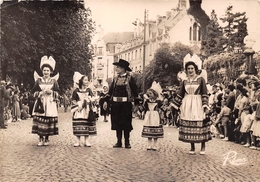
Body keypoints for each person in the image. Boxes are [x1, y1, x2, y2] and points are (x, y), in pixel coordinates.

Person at [171, 58, 211, 155]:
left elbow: (204, 93)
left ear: (195, 69)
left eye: (192, 68)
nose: (190, 70)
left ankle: (203, 146)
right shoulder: (185, 81)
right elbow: (180, 94)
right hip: (187, 104)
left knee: (200, 122)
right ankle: (192, 147)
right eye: (188, 68)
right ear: (186, 70)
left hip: (198, 103)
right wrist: (174, 105)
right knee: (190, 123)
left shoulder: (201, 80)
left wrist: (205, 105)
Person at [106, 59, 138, 149]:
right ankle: (119, 142)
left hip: (126, 105)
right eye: (116, 67)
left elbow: (135, 91)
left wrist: (136, 103)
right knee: (117, 123)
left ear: (124, 68)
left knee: (126, 124)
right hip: (116, 104)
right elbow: (111, 91)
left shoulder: (130, 78)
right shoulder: (115, 78)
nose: (116, 68)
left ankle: (127, 142)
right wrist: (106, 101)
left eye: (118, 67)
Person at [31, 56, 60, 146]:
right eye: (44, 70)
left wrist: (52, 92)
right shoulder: (38, 81)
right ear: (42, 71)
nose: (46, 72)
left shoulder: (54, 81)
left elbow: (58, 93)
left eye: (47, 70)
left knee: (48, 120)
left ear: (51, 71)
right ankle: (40, 138)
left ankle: (47, 138)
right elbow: (33, 92)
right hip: (41, 102)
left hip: (50, 103)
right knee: (40, 120)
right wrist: (39, 93)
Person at [71, 72, 97, 147]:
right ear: (81, 81)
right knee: (78, 124)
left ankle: (87, 141)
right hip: (79, 110)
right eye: (85, 80)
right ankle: (77, 141)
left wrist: (91, 100)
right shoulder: (76, 91)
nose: (87, 81)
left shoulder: (88, 90)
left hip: (87, 109)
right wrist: (78, 105)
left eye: (87, 80)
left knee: (87, 124)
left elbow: (92, 98)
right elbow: (73, 100)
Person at [141, 82, 164, 151]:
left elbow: (162, 108)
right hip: (149, 115)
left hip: (156, 116)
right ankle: (149, 144)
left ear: (155, 94)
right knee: (149, 130)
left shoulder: (158, 102)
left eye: (150, 93)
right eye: (148, 94)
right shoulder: (147, 101)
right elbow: (144, 108)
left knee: (155, 130)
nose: (149, 95)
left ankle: (155, 144)